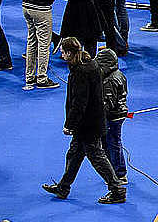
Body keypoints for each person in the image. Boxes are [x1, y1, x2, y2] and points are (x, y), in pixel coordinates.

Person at [41, 37, 127, 204]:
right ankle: (63, 187)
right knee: (74, 154)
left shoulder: (80, 72)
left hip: (88, 124)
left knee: (97, 157)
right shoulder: (90, 64)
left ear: (69, 53)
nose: (60, 53)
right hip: (91, 121)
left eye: (62, 51)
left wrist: (69, 125)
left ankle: (117, 189)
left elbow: (79, 102)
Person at [97, 48, 128, 187]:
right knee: (111, 143)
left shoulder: (110, 80)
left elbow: (107, 103)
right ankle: (114, 172)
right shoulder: (119, 74)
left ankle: (119, 174)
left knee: (112, 144)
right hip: (119, 114)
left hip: (112, 117)